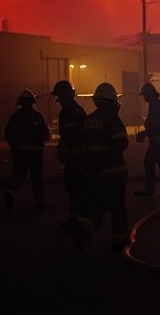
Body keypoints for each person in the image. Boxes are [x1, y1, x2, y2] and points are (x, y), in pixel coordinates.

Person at [71, 82, 130, 252]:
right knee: (117, 206)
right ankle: (119, 241)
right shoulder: (113, 119)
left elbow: (80, 147)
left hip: (93, 173)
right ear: (113, 102)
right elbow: (122, 143)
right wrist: (107, 153)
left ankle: (84, 224)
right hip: (114, 171)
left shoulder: (87, 121)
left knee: (97, 202)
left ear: (97, 101)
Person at [3, 89, 51, 211]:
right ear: (32, 102)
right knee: (36, 178)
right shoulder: (37, 116)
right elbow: (46, 135)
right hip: (36, 154)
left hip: (20, 153)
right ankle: (39, 202)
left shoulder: (15, 117)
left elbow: (8, 134)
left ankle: (11, 193)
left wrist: (15, 147)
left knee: (18, 175)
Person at [50, 79, 88, 233]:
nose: (58, 101)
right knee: (73, 187)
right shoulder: (74, 110)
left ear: (65, 96)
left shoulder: (69, 112)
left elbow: (71, 135)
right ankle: (76, 218)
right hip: (76, 156)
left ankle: (80, 220)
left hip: (75, 157)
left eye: (60, 97)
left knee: (75, 187)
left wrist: (65, 150)